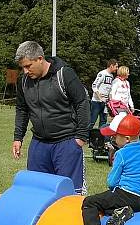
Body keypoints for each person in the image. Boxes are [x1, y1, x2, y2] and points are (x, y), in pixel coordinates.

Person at [12, 41, 90, 195]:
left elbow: (82, 103)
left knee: (69, 194)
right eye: (22, 67)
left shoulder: (64, 74)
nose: (25, 71)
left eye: (28, 66)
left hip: (66, 142)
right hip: (39, 144)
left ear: (40, 59)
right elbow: (22, 109)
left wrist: (81, 137)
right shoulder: (23, 81)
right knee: (36, 191)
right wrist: (18, 137)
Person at [90, 59, 117, 128]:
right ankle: (86, 137)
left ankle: (100, 137)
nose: (117, 69)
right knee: (92, 121)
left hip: (105, 103)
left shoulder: (111, 76)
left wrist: (110, 100)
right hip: (96, 102)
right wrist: (99, 97)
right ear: (111, 66)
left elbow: (109, 89)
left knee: (103, 121)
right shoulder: (102, 73)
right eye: (116, 67)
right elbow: (94, 85)